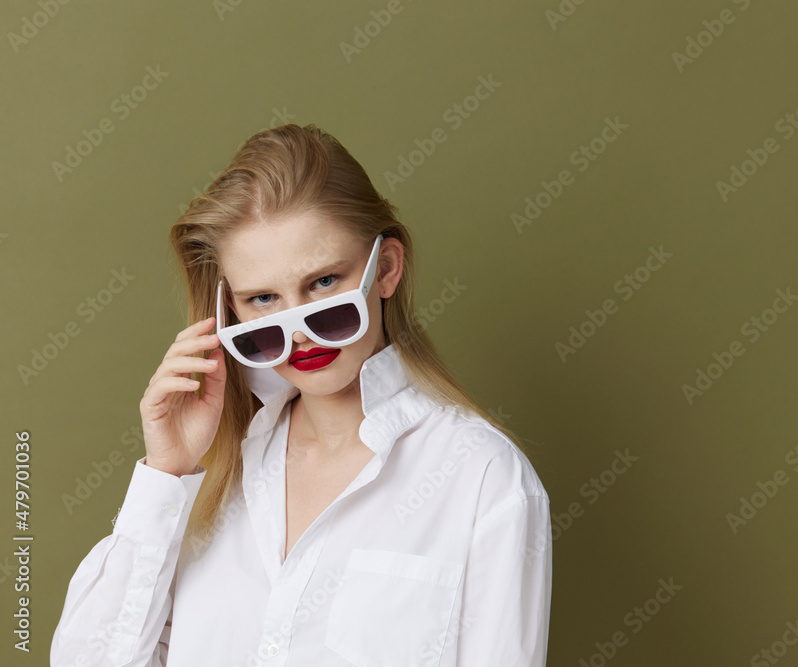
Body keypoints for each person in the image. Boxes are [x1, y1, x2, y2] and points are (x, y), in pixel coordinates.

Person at [50, 124, 552, 666]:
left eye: (323, 283)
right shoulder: (210, 478)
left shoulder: (483, 478)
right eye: (263, 298)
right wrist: (165, 475)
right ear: (231, 309)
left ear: (385, 269)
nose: (299, 333)